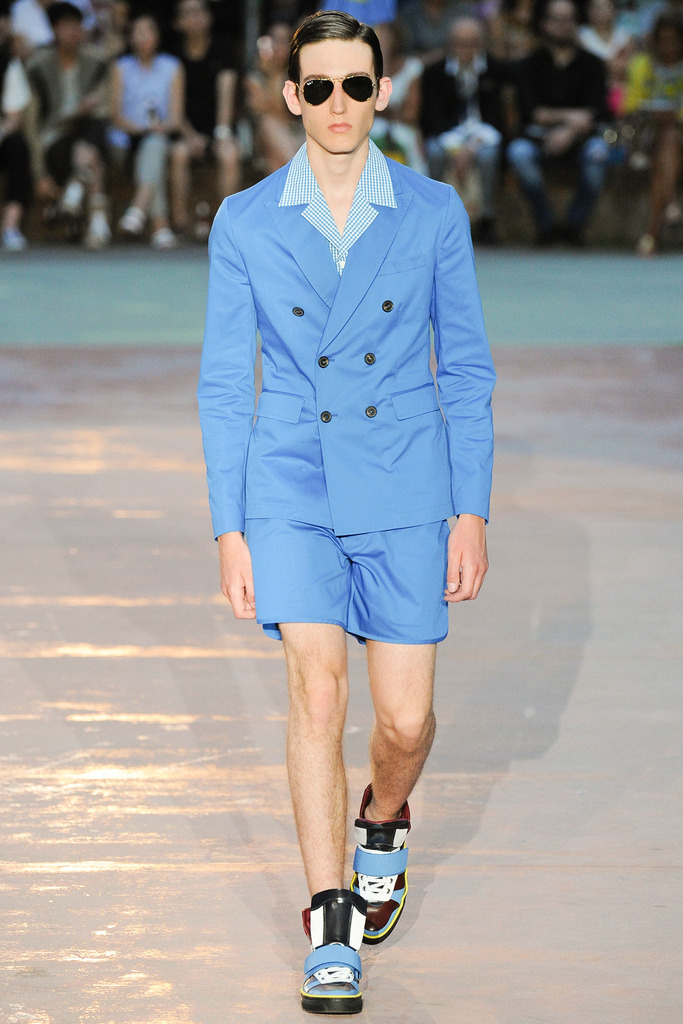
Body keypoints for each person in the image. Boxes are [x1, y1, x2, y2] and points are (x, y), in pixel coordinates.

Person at [197, 10, 495, 1015]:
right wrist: (229, 525)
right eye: (317, 86)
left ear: (382, 93)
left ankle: (384, 817)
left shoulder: (432, 211)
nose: (336, 104)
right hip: (289, 478)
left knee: (403, 721)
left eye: (354, 86)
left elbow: (465, 368)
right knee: (315, 694)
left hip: (405, 478)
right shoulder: (243, 220)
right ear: (291, 96)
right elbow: (223, 384)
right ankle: (331, 923)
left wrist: (469, 508)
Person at [506, 0, 610, 245]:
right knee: (518, 153)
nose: (564, 25)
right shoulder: (529, 64)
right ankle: (546, 224)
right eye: (557, 19)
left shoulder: (593, 64)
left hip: (583, 138)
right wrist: (571, 118)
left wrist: (569, 132)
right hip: (538, 138)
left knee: (599, 153)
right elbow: (531, 112)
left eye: (570, 19)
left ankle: (574, 224)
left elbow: (597, 111)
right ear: (544, 23)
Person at [26, 1, 111, 249]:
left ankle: (77, 187)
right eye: (66, 26)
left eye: (76, 25)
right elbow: (31, 123)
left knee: (93, 129)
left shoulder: (97, 60)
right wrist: (39, 172)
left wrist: (92, 104)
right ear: (54, 30)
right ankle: (97, 222)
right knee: (92, 153)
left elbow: (108, 102)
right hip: (54, 139)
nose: (73, 32)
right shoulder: (37, 66)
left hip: (88, 131)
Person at [420, 16, 509, 242]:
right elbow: (432, 116)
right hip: (447, 134)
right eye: (460, 43)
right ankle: (435, 215)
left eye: (472, 43)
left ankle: (487, 216)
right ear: (451, 44)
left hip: (483, 135)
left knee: (489, 156)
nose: (466, 49)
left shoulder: (495, 69)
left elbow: (497, 115)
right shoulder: (435, 72)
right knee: (435, 152)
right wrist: (457, 148)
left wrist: (472, 147)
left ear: (481, 44)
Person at [110, 11, 184, 249]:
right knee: (153, 150)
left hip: (158, 137)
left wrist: (158, 128)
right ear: (130, 37)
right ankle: (158, 226)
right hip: (125, 139)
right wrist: (139, 129)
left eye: (149, 31)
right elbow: (115, 115)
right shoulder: (121, 67)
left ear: (158, 36)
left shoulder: (172, 66)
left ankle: (139, 211)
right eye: (138, 32)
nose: (143, 37)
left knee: (154, 147)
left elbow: (176, 118)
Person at [169, 0, 240, 239]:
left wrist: (221, 133)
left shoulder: (224, 49)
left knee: (229, 154)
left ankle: (226, 227)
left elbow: (226, 92)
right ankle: (180, 225)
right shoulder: (173, 56)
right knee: (178, 154)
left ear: (209, 17)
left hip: (220, 128)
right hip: (185, 130)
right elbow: (174, 104)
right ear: (178, 22)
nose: (196, 17)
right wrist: (190, 137)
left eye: (200, 11)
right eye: (188, 13)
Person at [624, 11, 683, 254]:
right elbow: (630, 105)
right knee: (666, 142)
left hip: (678, 133)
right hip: (643, 136)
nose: (668, 46)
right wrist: (650, 113)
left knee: (668, 142)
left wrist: (675, 116)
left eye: (674, 40)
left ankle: (652, 234)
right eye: (663, 40)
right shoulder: (642, 63)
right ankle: (670, 203)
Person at [244, 21, 305, 174]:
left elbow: (297, 113)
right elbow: (263, 109)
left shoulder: (299, 74)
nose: (279, 45)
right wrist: (272, 72)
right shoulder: (254, 76)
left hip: (295, 133)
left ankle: (291, 180)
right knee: (269, 124)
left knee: (275, 162)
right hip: (261, 137)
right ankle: (298, 173)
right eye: (275, 39)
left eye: (285, 40)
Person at [370, 21, 426, 173]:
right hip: (370, 127)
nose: (382, 41)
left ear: (397, 38)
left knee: (405, 139)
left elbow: (410, 114)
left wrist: (379, 109)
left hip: (403, 129)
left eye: (386, 37)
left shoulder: (412, 67)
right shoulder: (364, 68)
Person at [0, 2, 33, 251]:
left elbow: (14, 115)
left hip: (1, 137)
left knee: (19, 147)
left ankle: (10, 226)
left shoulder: (9, 63)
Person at [578, 0, 634, 114]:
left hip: (621, 88)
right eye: (597, 8)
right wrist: (611, 64)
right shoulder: (581, 35)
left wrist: (603, 63)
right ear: (589, 11)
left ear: (614, 11)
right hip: (591, 87)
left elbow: (629, 66)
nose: (601, 12)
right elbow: (585, 67)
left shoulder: (625, 35)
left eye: (606, 7)